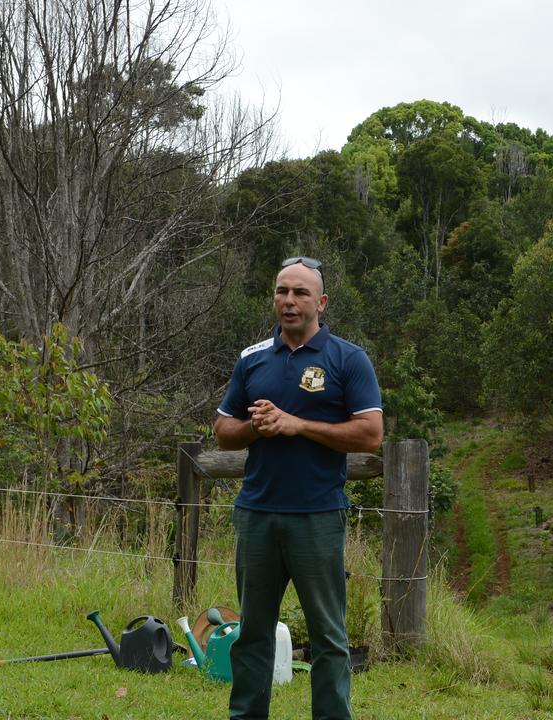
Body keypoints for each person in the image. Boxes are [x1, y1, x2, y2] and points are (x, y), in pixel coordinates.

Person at [214, 256, 383, 720]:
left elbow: (370, 433)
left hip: (317, 516)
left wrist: (297, 425)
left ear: (321, 302)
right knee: (252, 633)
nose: (289, 301)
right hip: (257, 513)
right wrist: (258, 427)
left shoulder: (348, 359)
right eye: (281, 291)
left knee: (328, 636)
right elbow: (224, 430)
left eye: (300, 293)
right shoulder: (252, 359)